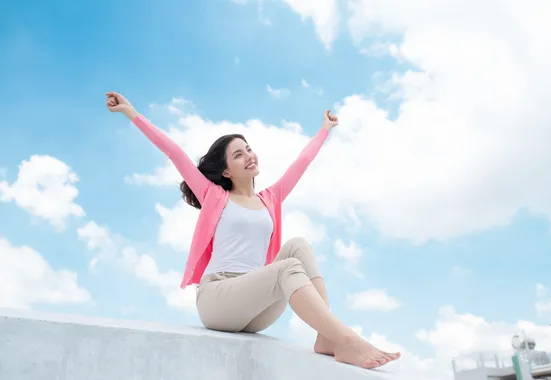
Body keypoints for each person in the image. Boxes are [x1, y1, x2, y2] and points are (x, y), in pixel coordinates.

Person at [105, 91, 400, 369]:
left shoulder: (270, 199)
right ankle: (347, 339)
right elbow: (174, 153)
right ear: (225, 171)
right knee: (287, 268)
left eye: (248, 149)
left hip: (253, 307)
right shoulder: (214, 196)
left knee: (298, 246)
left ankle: (327, 336)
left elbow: (302, 162)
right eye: (238, 155)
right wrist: (131, 112)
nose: (249, 156)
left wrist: (324, 129)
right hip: (218, 298)